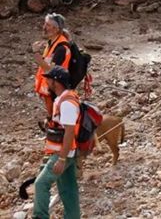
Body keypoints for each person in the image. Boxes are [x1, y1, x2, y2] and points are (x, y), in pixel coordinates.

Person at [33, 67, 81, 219]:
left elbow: (69, 131)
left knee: (41, 184)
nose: (46, 81)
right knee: (68, 190)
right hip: (67, 152)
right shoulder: (64, 98)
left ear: (56, 82)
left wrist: (61, 158)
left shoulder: (67, 103)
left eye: (49, 79)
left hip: (63, 153)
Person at [33, 13, 72, 122]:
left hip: (56, 88)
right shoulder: (52, 43)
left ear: (55, 29)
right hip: (51, 88)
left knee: (57, 118)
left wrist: (36, 53)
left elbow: (50, 70)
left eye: (47, 25)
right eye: (45, 24)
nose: (44, 27)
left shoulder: (61, 48)